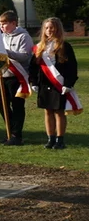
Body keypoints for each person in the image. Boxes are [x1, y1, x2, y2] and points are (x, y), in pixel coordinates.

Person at [31, 17, 79, 150]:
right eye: (46, 28)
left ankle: (60, 139)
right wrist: (34, 82)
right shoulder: (39, 48)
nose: (49, 30)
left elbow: (72, 67)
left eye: (51, 27)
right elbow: (33, 67)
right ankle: (50, 139)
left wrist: (68, 84)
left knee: (59, 112)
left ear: (57, 28)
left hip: (60, 84)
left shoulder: (65, 46)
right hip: (44, 84)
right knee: (47, 111)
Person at [0, 10, 33, 146]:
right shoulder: (1, 37)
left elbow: (25, 56)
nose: (2, 27)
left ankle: (17, 135)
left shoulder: (24, 37)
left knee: (17, 105)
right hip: (2, 75)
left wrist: (7, 53)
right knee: (1, 103)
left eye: (4, 24)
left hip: (17, 76)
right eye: (0, 24)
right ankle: (10, 131)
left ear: (13, 23)